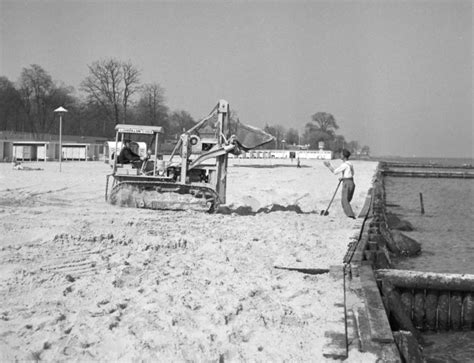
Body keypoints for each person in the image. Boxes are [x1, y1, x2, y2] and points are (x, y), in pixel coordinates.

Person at [324, 149, 356, 219]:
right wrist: (343, 178)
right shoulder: (350, 163)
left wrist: (329, 166)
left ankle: (351, 215)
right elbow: (352, 174)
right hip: (352, 183)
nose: (340, 155)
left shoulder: (344, 165)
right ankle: (350, 214)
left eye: (341, 154)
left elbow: (335, 172)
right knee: (347, 200)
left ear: (344, 156)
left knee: (344, 201)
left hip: (347, 184)